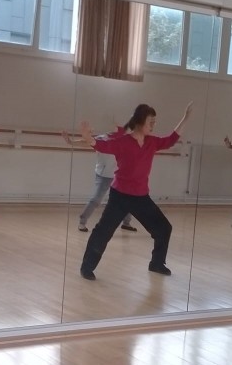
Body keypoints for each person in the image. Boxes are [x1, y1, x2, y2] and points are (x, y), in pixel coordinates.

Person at [78, 102, 193, 280]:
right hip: (120, 196)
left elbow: (171, 139)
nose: (153, 125)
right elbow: (104, 146)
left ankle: (157, 263)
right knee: (103, 231)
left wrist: (185, 118)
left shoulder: (152, 142)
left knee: (164, 228)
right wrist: (89, 138)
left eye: (154, 122)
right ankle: (86, 267)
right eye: (151, 121)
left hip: (140, 197)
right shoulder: (124, 142)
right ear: (140, 121)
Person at [60, 126, 137, 233]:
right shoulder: (102, 138)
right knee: (96, 199)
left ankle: (126, 223)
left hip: (119, 175)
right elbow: (86, 142)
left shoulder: (125, 139)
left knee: (128, 198)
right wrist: (70, 141)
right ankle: (82, 222)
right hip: (103, 175)